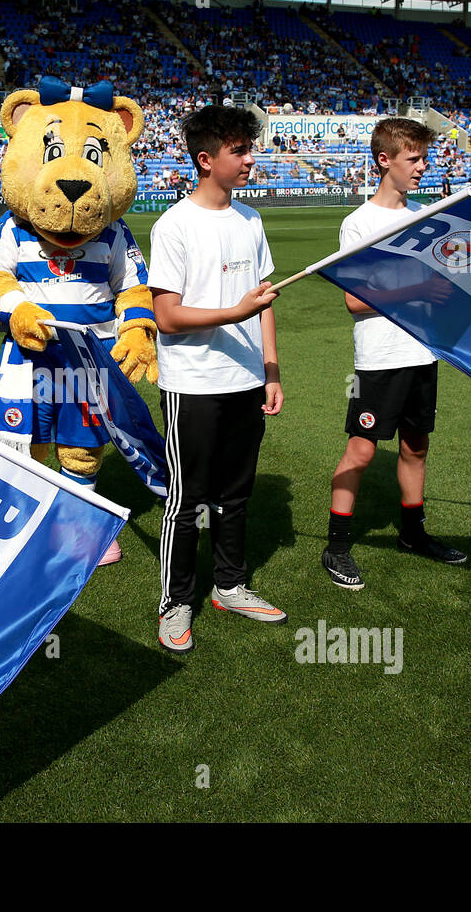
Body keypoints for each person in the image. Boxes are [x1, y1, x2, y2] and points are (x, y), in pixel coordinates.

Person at [149, 105, 287, 655]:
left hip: (246, 382)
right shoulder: (174, 225)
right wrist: (233, 313)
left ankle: (230, 585)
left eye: (250, 148)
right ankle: (176, 600)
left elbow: (265, 299)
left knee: (236, 493)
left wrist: (271, 368)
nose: (251, 159)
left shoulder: (250, 220)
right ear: (206, 160)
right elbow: (167, 316)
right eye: (239, 151)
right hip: (194, 384)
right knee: (188, 497)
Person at [321, 118, 466, 591]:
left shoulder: (425, 217)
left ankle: (413, 535)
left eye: (425, 158)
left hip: (422, 355)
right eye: (414, 159)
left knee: (416, 447)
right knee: (361, 453)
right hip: (380, 360)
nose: (423, 167)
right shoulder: (359, 223)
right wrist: (420, 287)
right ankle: (337, 546)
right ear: (385, 161)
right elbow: (354, 301)